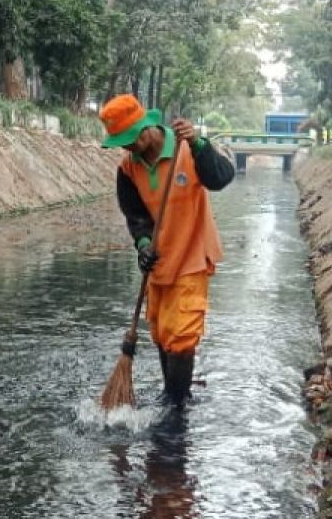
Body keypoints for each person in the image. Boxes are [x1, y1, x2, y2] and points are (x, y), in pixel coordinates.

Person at [98, 94, 234, 404]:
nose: (125, 147)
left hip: (193, 254)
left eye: (128, 140)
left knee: (182, 335)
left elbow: (221, 178)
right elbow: (135, 216)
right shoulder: (127, 169)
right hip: (159, 261)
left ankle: (177, 404)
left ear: (145, 130)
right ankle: (168, 395)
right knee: (161, 331)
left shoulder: (188, 148)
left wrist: (200, 144)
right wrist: (143, 244)